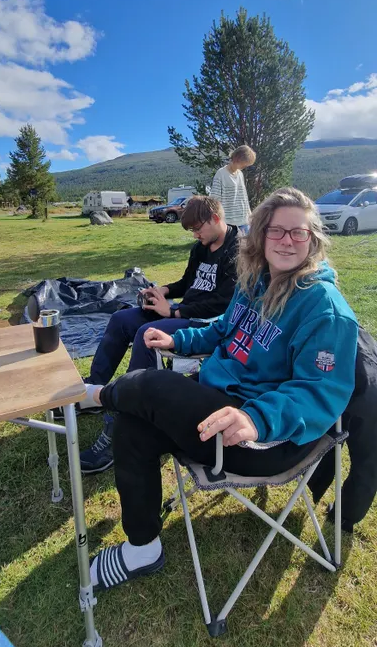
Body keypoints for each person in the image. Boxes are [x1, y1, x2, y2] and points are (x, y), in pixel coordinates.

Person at [83, 187, 358, 591]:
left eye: (298, 232)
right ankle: (143, 548)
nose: (286, 241)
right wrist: (178, 340)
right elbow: (222, 329)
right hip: (217, 404)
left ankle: (91, 396)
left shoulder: (324, 308)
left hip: (263, 435)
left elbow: (318, 393)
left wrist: (255, 418)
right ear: (261, 235)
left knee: (152, 386)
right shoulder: (255, 280)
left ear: (312, 239)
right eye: (276, 230)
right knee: (132, 425)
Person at [79, 195, 239, 473]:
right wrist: (162, 291)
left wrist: (174, 312)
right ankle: (95, 390)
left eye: (198, 228)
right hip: (183, 311)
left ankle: (121, 426)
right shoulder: (201, 247)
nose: (196, 235)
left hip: (207, 323)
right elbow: (187, 283)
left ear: (215, 219)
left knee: (146, 334)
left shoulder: (239, 251)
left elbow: (225, 304)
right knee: (121, 319)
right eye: (191, 231)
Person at [210, 144, 256, 233]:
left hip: (244, 222)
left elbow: (244, 197)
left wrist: (250, 215)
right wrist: (217, 220)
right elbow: (214, 199)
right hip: (229, 223)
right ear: (238, 158)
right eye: (245, 162)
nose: (246, 166)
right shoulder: (221, 174)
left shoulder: (240, 174)